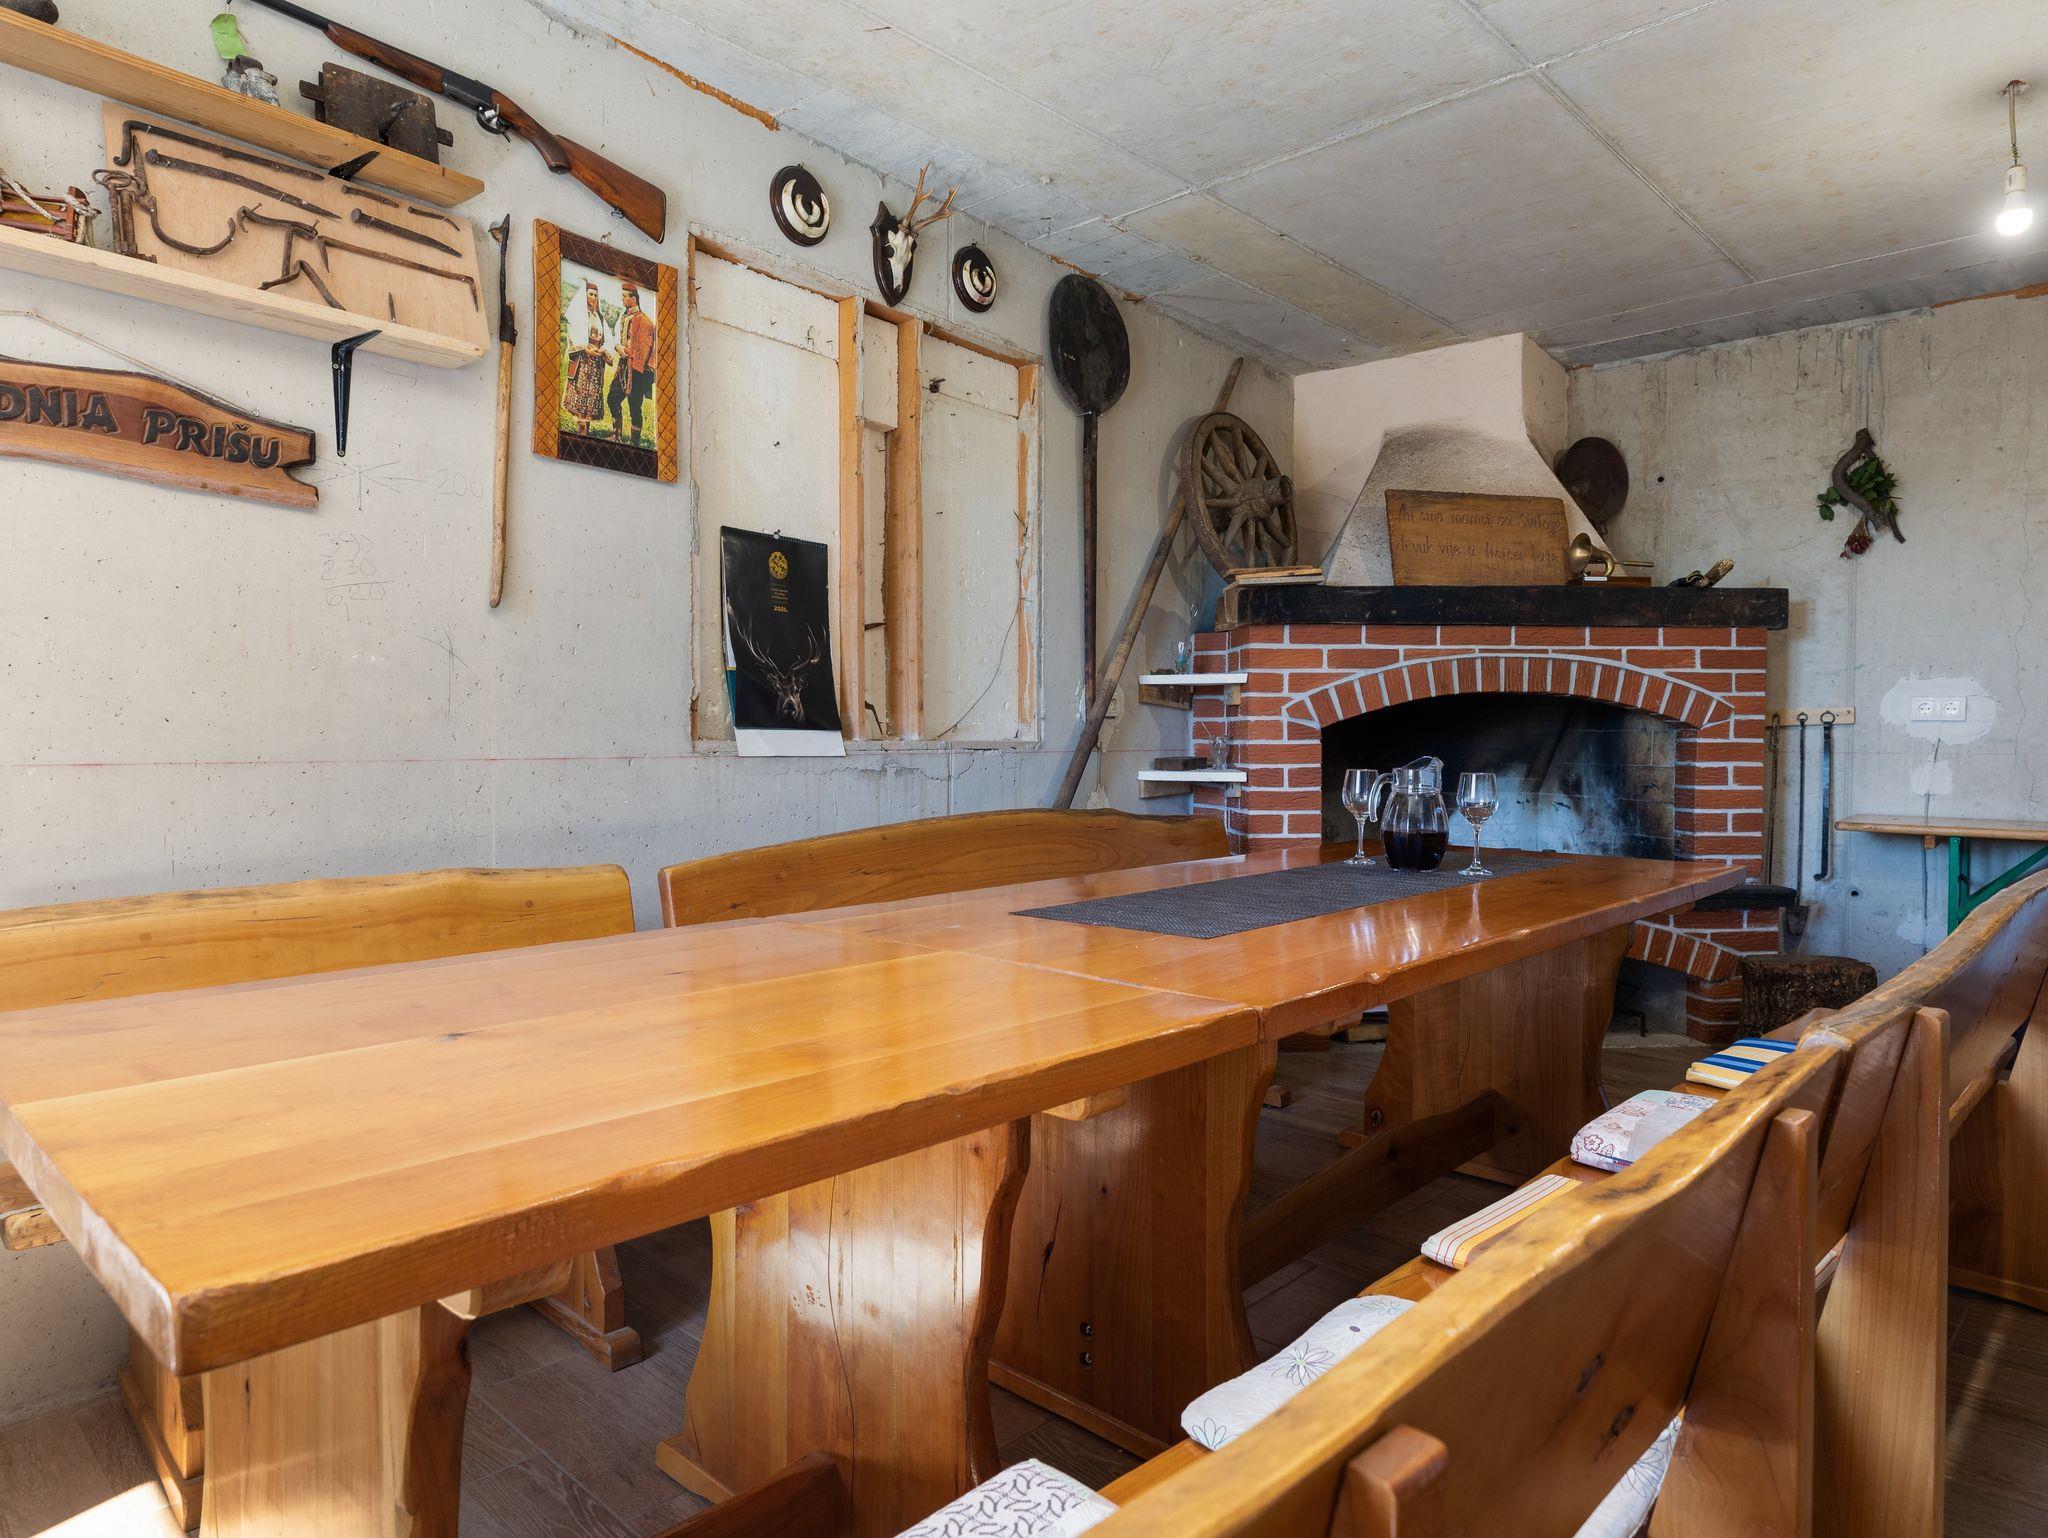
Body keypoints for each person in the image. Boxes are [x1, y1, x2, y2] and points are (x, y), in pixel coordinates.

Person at [607, 280, 657, 447]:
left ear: (633, 298)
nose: (622, 299)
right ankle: (616, 435)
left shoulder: (645, 321)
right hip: (623, 367)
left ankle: (634, 442)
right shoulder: (624, 316)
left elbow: (647, 347)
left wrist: (632, 354)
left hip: (636, 371)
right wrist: (618, 347)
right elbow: (620, 339)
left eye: (624, 297)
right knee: (612, 398)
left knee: (635, 407)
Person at [562, 325, 608, 436]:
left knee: (591, 396)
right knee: (580, 395)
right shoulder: (579, 317)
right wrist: (585, 348)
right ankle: (582, 431)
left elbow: (608, 340)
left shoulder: (601, 319)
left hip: (596, 361)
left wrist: (602, 350)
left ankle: (585, 431)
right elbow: (572, 335)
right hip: (581, 360)